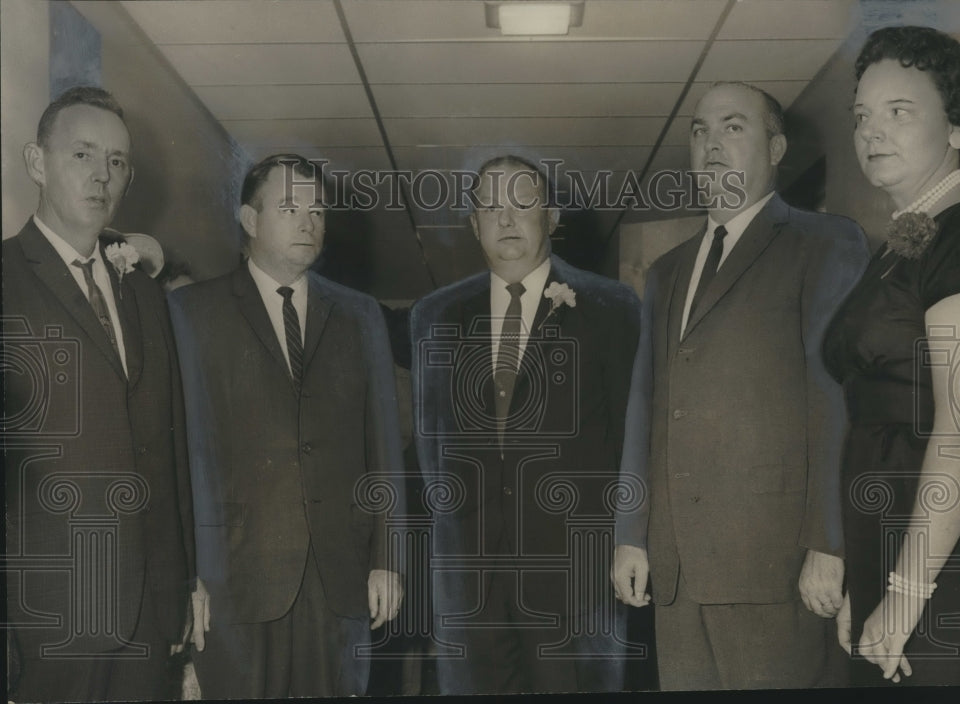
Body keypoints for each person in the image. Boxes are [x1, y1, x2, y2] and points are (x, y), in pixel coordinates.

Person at [612, 82, 870, 690]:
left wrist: (830, 544)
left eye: (733, 127)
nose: (712, 145)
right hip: (676, 569)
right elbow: (645, 408)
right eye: (700, 130)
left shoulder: (825, 243)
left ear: (776, 146)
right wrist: (631, 534)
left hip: (776, 566)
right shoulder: (667, 270)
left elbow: (835, 402)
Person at [168, 154, 405, 698]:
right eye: (290, 207)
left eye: (318, 210)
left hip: (340, 581)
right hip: (233, 582)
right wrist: (185, 576)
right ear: (249, 220)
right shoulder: (191, 312)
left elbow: (384, 446)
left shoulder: (361, 314)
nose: (309, 222)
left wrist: (388, 560)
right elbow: (177, 454)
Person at [410, 155, 640, 694]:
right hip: (470, 584)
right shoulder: (435, 315)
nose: (506, 219)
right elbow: (429, 447)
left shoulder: (611, 306)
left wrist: (630, 542)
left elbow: (634, 441)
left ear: (552, 218)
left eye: (521, 204)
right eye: (490, 207)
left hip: (576, 578)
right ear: (473, 225)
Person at [3, 86, 195, 702]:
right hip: (45, 618)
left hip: (146, 611)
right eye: (83, 154)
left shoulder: (140, 291)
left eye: (116, 161)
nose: (101, 175)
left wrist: (180, 585)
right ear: (37, 163)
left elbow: (166, 445)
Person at [823, 25, 960, 686]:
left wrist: (903, 594)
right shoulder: (905, 239)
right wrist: (862, 576)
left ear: (956, 129)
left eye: (900, 112)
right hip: (890, 541)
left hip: (946, 558)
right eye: (863, 116)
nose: (872, 131)